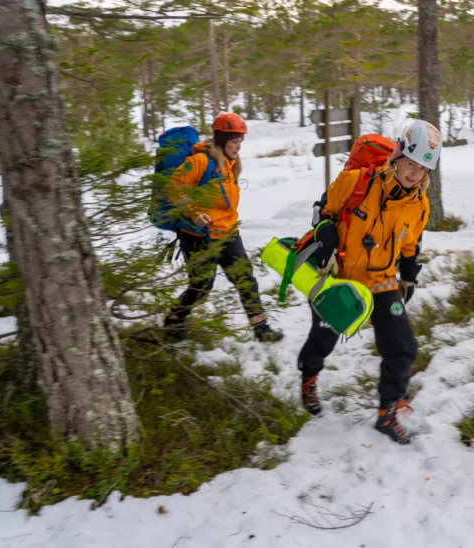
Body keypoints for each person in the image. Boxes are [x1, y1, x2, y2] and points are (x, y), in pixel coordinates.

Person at [297, 119, 441, 444]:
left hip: (381, 282)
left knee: (403, 347)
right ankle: (309, 377)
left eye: (423, 168)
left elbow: (409, 245)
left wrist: (409, 276)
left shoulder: (419, 204)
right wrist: (326, 236)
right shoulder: (357, 182)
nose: (415, 173)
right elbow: (325, 213)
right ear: (398, 155)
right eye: (411, 163)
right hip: (340, 280)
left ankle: (388, 412)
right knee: (323, 341)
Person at [163, 112, 283, 343]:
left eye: (240, 142)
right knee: (201, 287)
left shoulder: (230, 163)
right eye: (234, 141)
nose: (238, 146)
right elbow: (174, 187)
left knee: (245, 278)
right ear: (221, 139)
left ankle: (261, 328)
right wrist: (195, 213)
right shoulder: (200, 161)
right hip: (199, 236)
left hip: (227, 233)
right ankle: (173, 321)